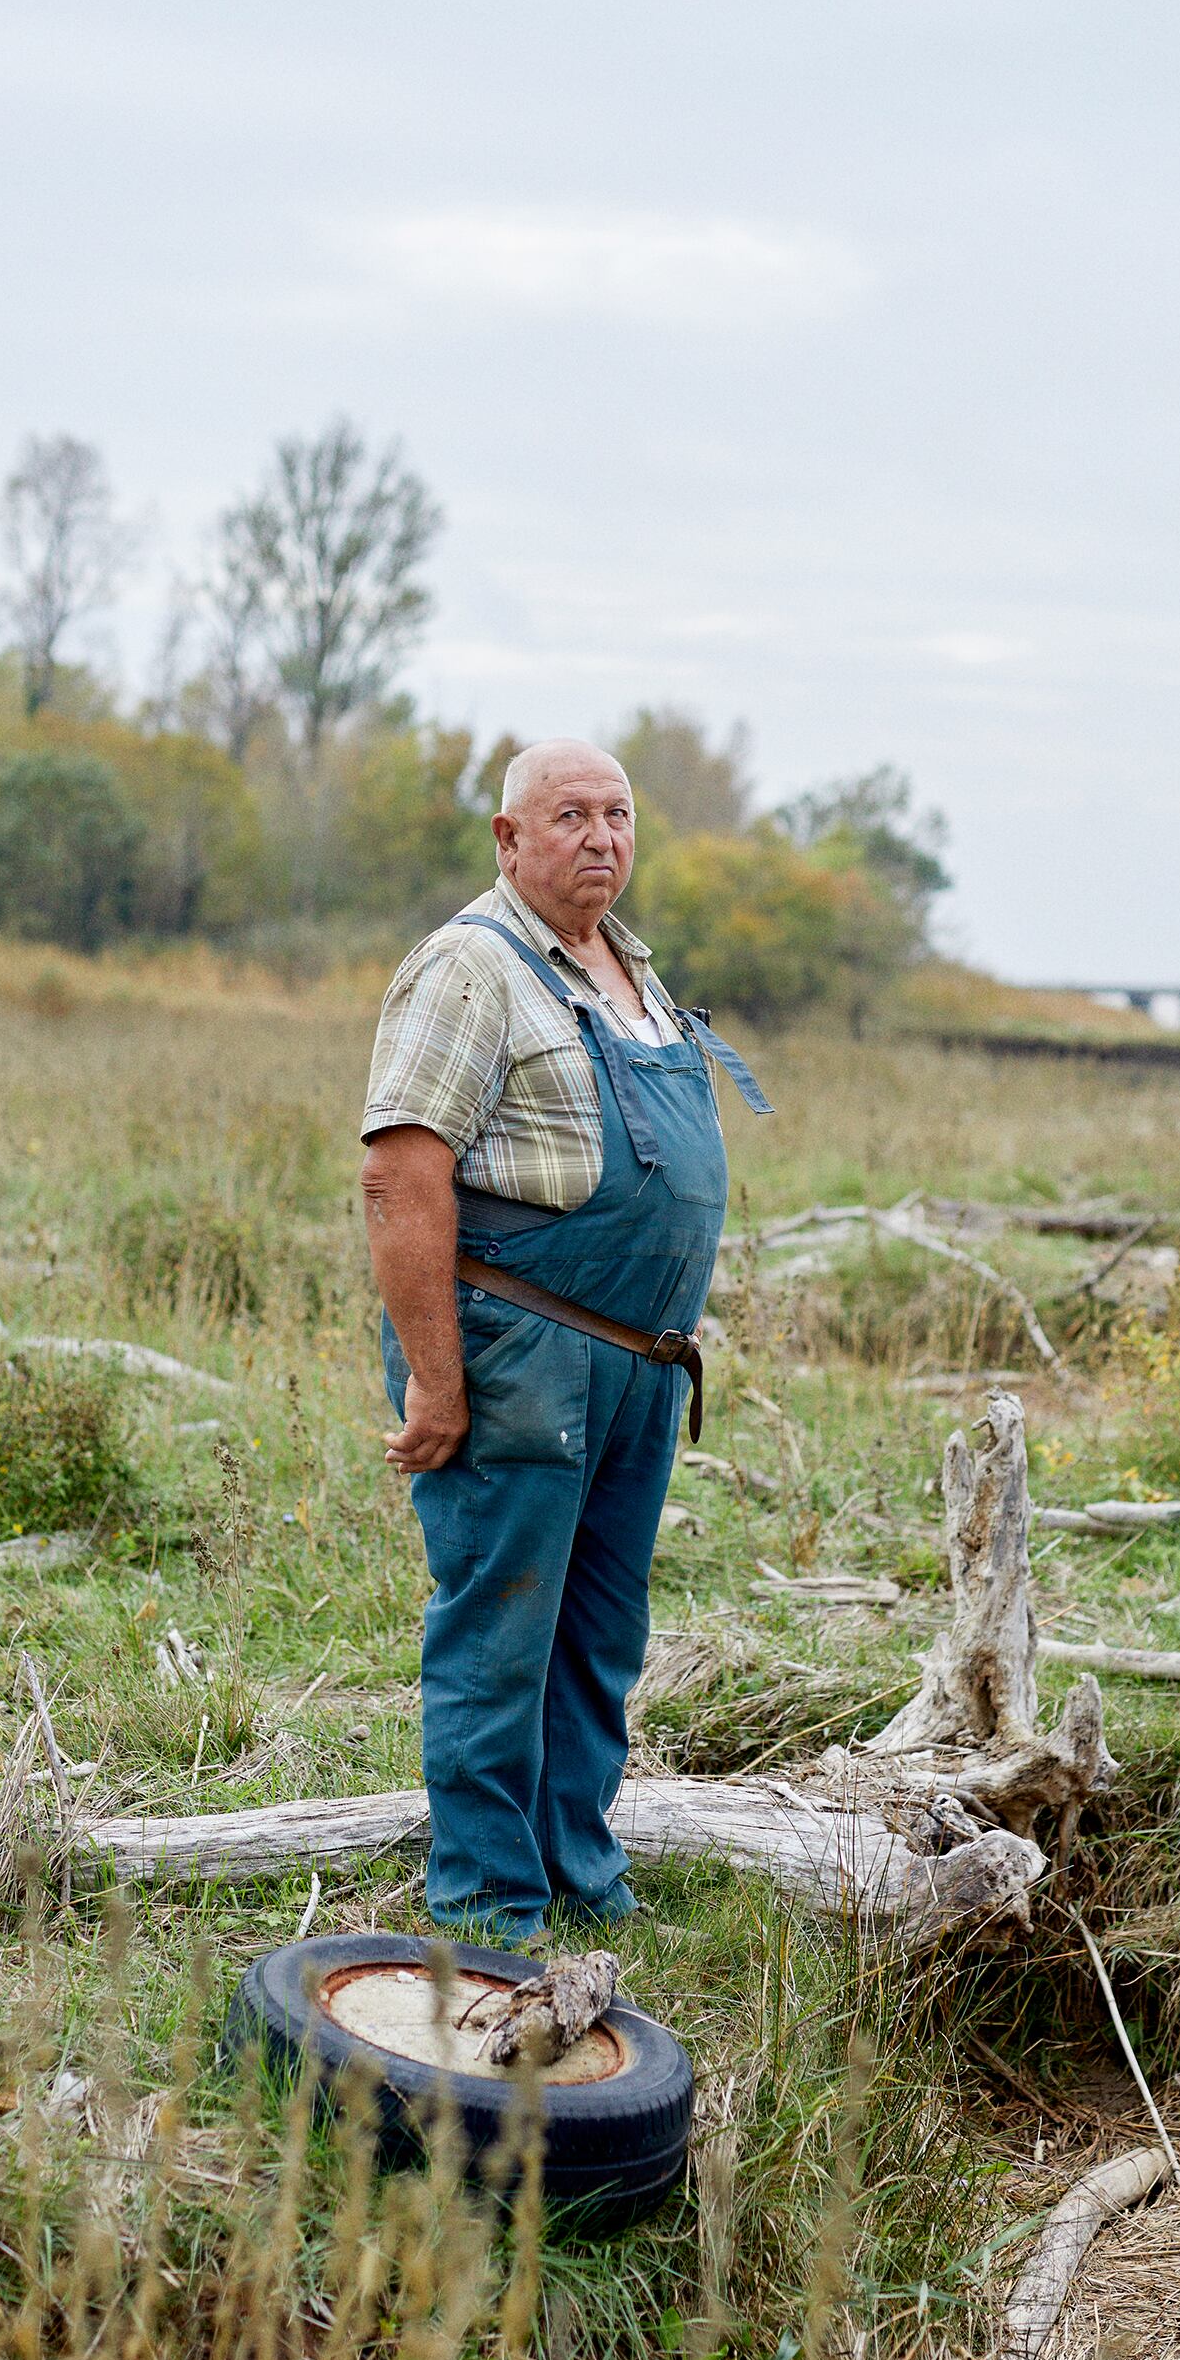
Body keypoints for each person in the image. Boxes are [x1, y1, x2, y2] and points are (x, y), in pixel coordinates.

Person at [359, 738, 770, 1947]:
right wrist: (437, 1380)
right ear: (507, 838)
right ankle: (487, 1902)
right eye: (570, 814)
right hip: (518, 1355)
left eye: (618, 815)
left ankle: (579, 1871)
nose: (600, 837)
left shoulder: (626, 973)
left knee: (598, 1633)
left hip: (637, 1364)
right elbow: (399, 1176)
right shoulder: (471, 968)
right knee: (501, 1631)